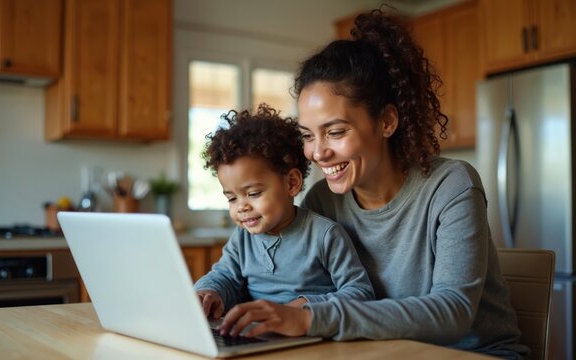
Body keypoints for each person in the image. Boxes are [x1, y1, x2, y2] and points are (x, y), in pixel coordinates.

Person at [216, 8, 528, 359]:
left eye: (335, 132)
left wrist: (308, 318)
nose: (318, 153)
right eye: (308, 135)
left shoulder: (451, 186)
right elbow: (298, 288)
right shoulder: (322, 201)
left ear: (387, 122)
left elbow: (452, 312)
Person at [193, 103, 375, 320]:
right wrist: (208, 292)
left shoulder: (325, 235)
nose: (241, 206)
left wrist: (304, 306)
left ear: (291, 183)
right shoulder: (243, 238)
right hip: (255, 335)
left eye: (253, 193)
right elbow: (225, 277)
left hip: (312, 339)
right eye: (232, 198)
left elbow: (361, 293)